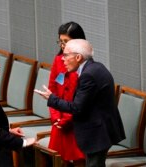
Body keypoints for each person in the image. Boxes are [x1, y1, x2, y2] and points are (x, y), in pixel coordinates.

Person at [35, 39, 126, 167]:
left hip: (97, 133)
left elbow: (77, 107)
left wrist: (51, 99)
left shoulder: (88, 75)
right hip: (102, 129)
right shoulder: (97, 67)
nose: (62, 59)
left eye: (66, 55)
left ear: (78, 57)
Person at [48, 21, 86, 167]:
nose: (63, 45)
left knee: (79, 161)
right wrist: (56, 118)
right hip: (59, 120)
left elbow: (82, 99)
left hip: (76, 121)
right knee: (59, 160)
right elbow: (52, 90)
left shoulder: (84, 65)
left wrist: (67, 119)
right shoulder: (58, 60)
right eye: (60, 41)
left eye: (66, 41)